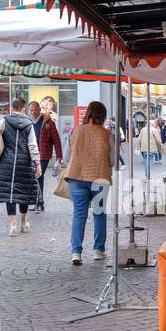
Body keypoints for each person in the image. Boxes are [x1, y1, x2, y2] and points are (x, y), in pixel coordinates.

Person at [64, 100, 113, 265]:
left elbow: (66, 157)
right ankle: (99, 250)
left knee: (79, 214)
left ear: (88, 113)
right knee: (99, 214)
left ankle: (76, 253)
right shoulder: (107, 134)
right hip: (100, 177)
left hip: (76, 177)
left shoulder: (75, 131)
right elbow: (112, 161)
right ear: (103, 115)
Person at [0, 96, 41, 237]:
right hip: (24, 162)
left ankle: (13, 225)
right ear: (24, 108)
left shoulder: (3, 121)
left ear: (12, 108)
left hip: (6, 161)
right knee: (23, 192)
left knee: (10, 193)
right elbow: (33, 146)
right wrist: (38, 163)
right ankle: (23, 222)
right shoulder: (29, 124)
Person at [34, 101, 62, 213]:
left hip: (44, 155)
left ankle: (39, 202)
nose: (34, 111)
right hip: (31, 155)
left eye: (36, 109)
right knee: (35, 177)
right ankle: (38, 201)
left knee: (39, 176)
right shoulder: (28, 122)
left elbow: (56, 140)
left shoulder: (48, 122)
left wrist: (59, 156)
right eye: (31, 110)